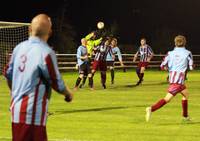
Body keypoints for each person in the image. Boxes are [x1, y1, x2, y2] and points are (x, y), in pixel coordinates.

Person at [3, 14, 73, 141]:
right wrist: (68, 94)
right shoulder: (46, 52)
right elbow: (56, 82)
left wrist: (13, 92)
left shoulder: (18, 48)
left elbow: (8, 73)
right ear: (50, 32)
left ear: (30, 29)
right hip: (32, 113)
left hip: (16, 111)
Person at [145, 35, 193, 122]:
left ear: (175, 43)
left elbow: (162, 66)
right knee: (167, 99)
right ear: (185, 42)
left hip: (174, 80)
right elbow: (191, 67)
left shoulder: (170, 53)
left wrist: (169, 69)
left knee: (186, 95)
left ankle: (185, 116)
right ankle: (151, 109)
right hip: (178, 81)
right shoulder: (188, 53)